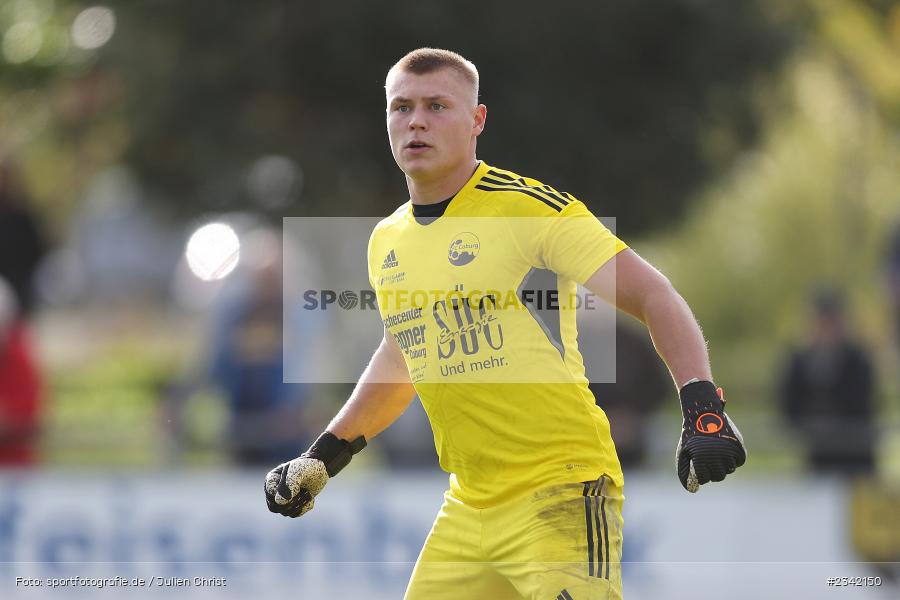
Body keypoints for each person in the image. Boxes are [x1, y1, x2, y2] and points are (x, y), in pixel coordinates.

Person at [265, 48, 746, 600]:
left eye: (437, 105)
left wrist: (702, 404)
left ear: (477, 121)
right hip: (469, 505)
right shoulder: (387, 239)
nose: (416, 120)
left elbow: (653, 294)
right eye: (401, 108)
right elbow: (404, 355)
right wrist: (323, 457)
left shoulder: (528, 210)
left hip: (560, 487)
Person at [779, 288, 876, 474]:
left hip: (857, 457)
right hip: (818, 456)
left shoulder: (858, 359)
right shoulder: (799, 361)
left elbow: (863, 402)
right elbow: (789, 402)